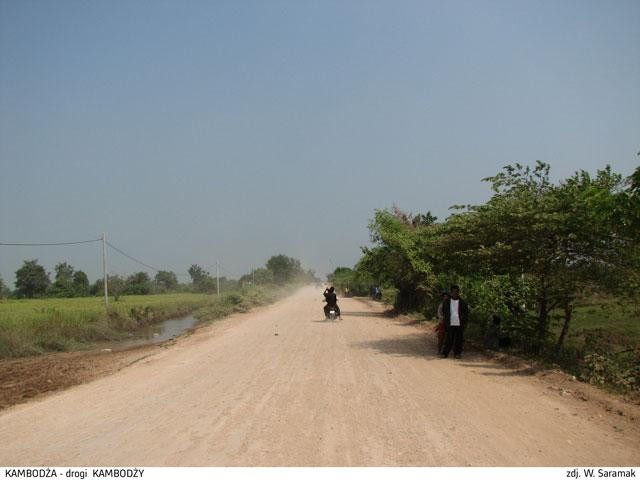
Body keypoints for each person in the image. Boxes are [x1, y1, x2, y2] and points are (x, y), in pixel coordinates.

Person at [441, 285, 469, 359]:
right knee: (448, 339)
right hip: (450, 323)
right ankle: (445, 353)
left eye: (456, 292)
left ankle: (457, 353)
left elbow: (466, 313)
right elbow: (444, 311)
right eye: (453, 292)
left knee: (459, 340)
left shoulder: (462, 303)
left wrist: (464, 322)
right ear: (451, 292)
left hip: (459, 323)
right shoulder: (447, 302)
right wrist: (446, 321)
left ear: (458, 292)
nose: (455, 293)